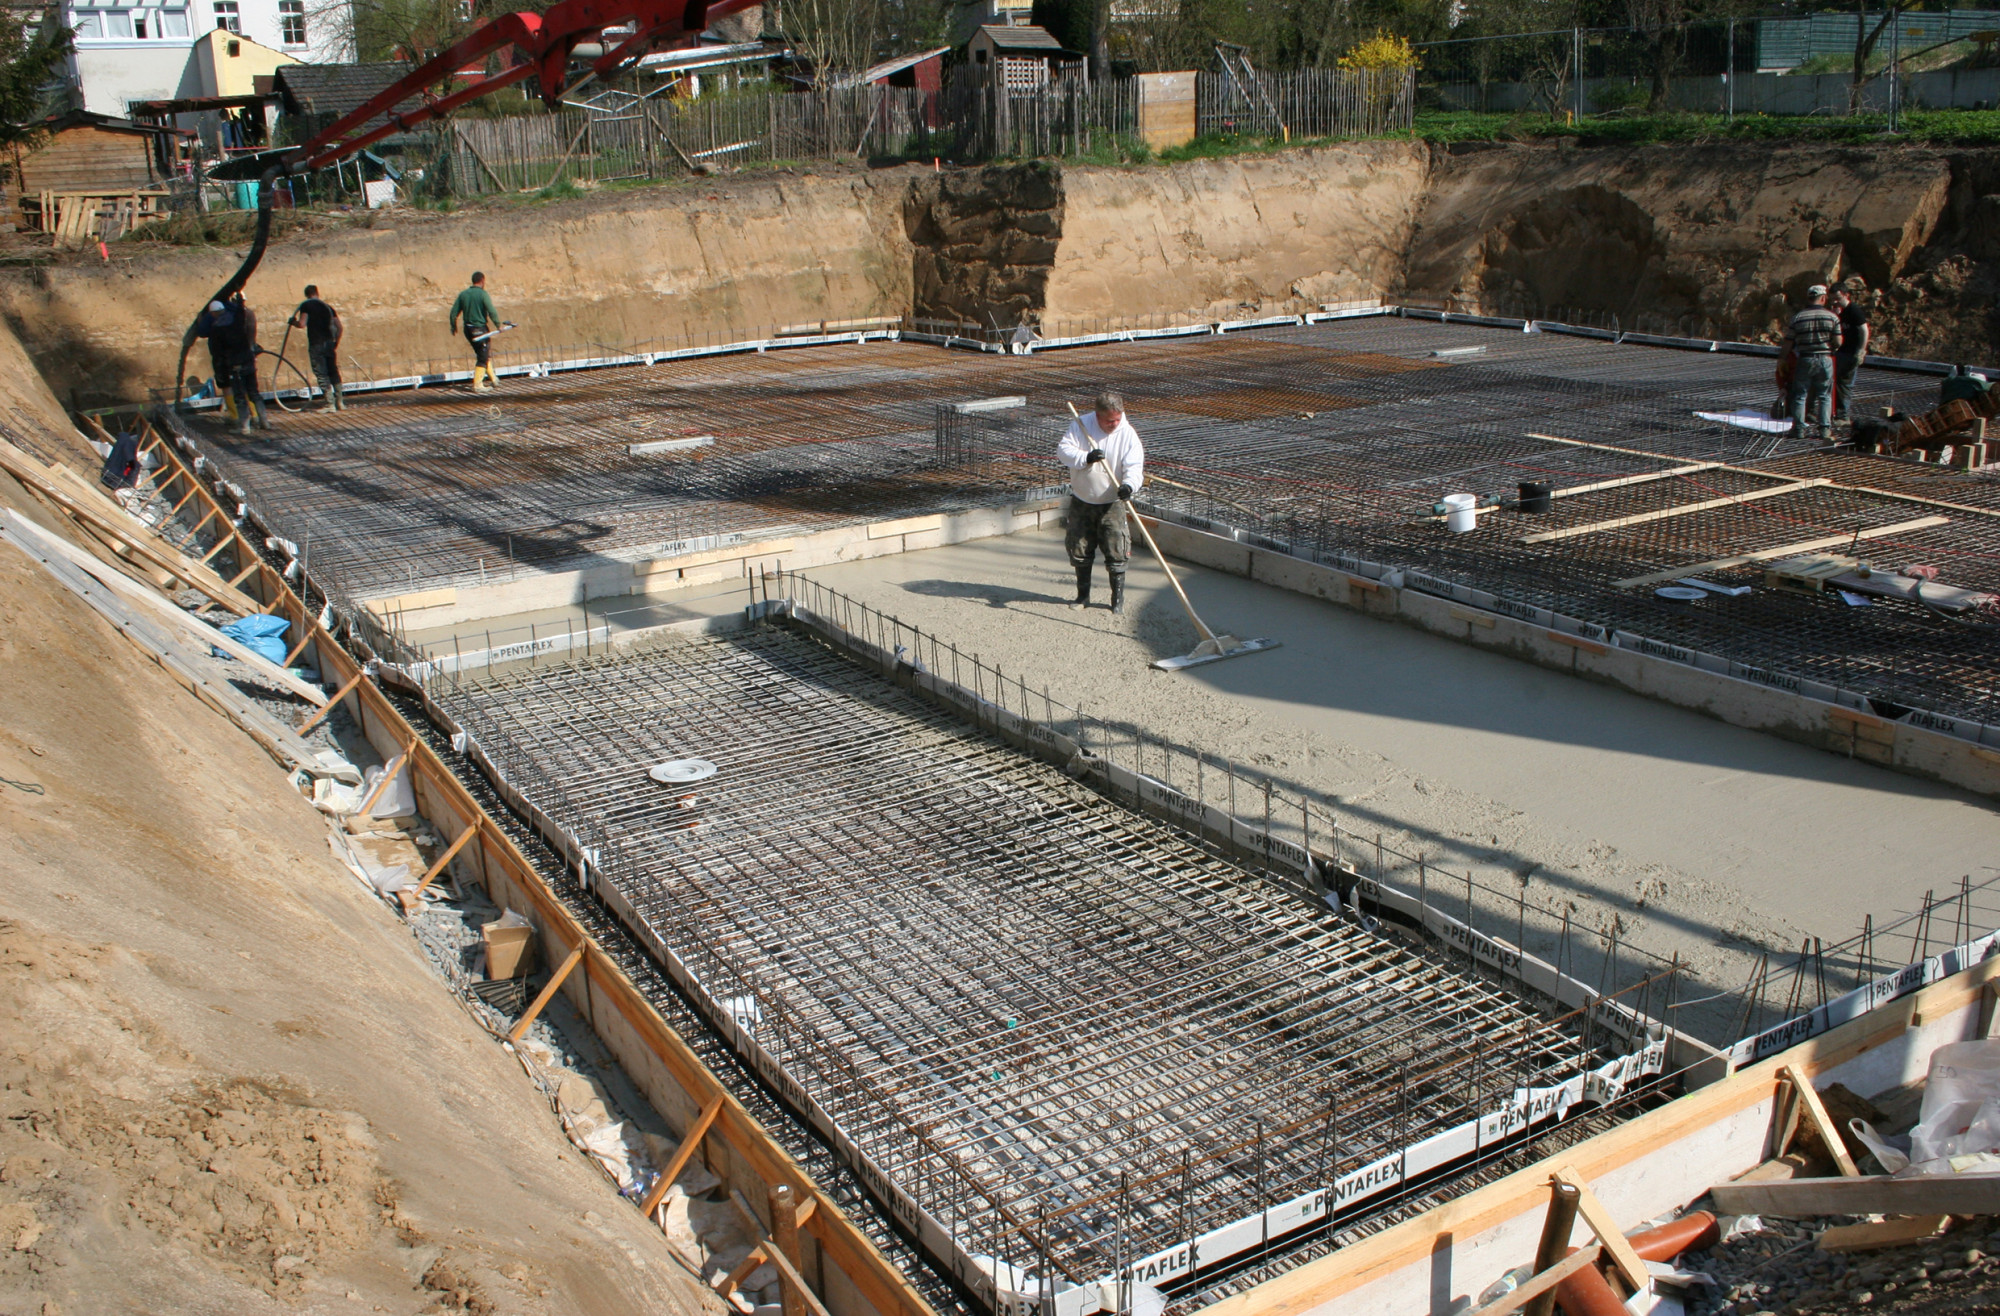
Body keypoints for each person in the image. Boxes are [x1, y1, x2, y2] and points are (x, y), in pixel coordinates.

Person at [1056, 391, 1144, 616]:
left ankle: (1117, 600)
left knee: (1117, 552)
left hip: (1111, 504)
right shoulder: (1080, 425)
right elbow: (1063, 451)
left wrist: (1129, 486)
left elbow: (1134, 467)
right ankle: (1083, 596)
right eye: (1108, 421)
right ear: (1097, 415)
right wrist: (1085, 458)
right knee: (1080, 549)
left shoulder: (1128, 435)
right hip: (1082, 500)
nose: (1113, 424)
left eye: (1116, 419)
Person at [186, 295, 265, 434]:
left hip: (230, 361)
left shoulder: (217, 325)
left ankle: (239, 421)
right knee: (251, 391)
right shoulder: (242, 315)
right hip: (247, 357)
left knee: (234, 390)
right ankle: (259, 419)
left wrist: (200, 319)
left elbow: (204, 333)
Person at [1782, 284, 1841, 440]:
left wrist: (1782, 359)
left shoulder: (1798, 317)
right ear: (1823, 298)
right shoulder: (1832, 317)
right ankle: (1824, 430)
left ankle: (1799, 429)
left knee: (1800, 395)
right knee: (1824, 395)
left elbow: (1788, 341)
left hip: (1805, 358)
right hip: (1825, 359)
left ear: (1809, 298)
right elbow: (1838, 341)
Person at [290, 284, 344, 411]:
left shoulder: (306, 306)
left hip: (316, 344)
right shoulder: (328, 307)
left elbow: (302, 324)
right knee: (333, 371)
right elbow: (340, 327)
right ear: (317, 293)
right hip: (329, 343)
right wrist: (336, 342)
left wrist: (293, 322)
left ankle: (329, 404)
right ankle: (340, 402)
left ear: (306, 295)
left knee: (322, 374)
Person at [449, 271, 501, 392]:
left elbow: (453, 313)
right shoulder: (483, 294)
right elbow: (491, 310)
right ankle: (477, 385)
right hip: (479, 329)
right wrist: (498, 324)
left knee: (483, 352)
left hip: (468, 329)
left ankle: (494, 379)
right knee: (483, 355)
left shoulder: (463, 295)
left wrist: (453, 326)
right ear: (482, 280)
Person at [1831, 285, 1869, 426]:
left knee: (1844, 385)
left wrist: (1861, 351)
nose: (1835, 302)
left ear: (1846, 295)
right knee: (1838, 384)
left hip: (1850, 353)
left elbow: (1864, 330)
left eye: (1838, 298)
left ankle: (1843, 415)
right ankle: (1838, 413)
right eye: (1833, 299)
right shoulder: (1840, 311)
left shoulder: (1854, 310)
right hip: (1841, 352)